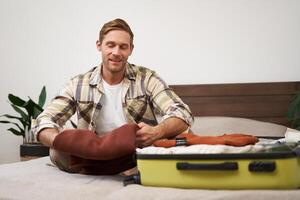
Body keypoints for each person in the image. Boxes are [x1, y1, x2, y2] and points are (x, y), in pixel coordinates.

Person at [33, 18, 193, 173]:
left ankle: (121, 167)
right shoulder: (78, 84)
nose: (116, 52)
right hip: (93, 154)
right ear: (99, 46)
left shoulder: (147, 79)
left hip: (136, 150)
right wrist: (62, 141)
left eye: (123, 47)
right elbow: (43, 120)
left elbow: (182, 113)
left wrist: (157, 131)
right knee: (56, 152)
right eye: (111, 45)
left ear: (131, 49)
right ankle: (121, 169)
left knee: (180, 140)